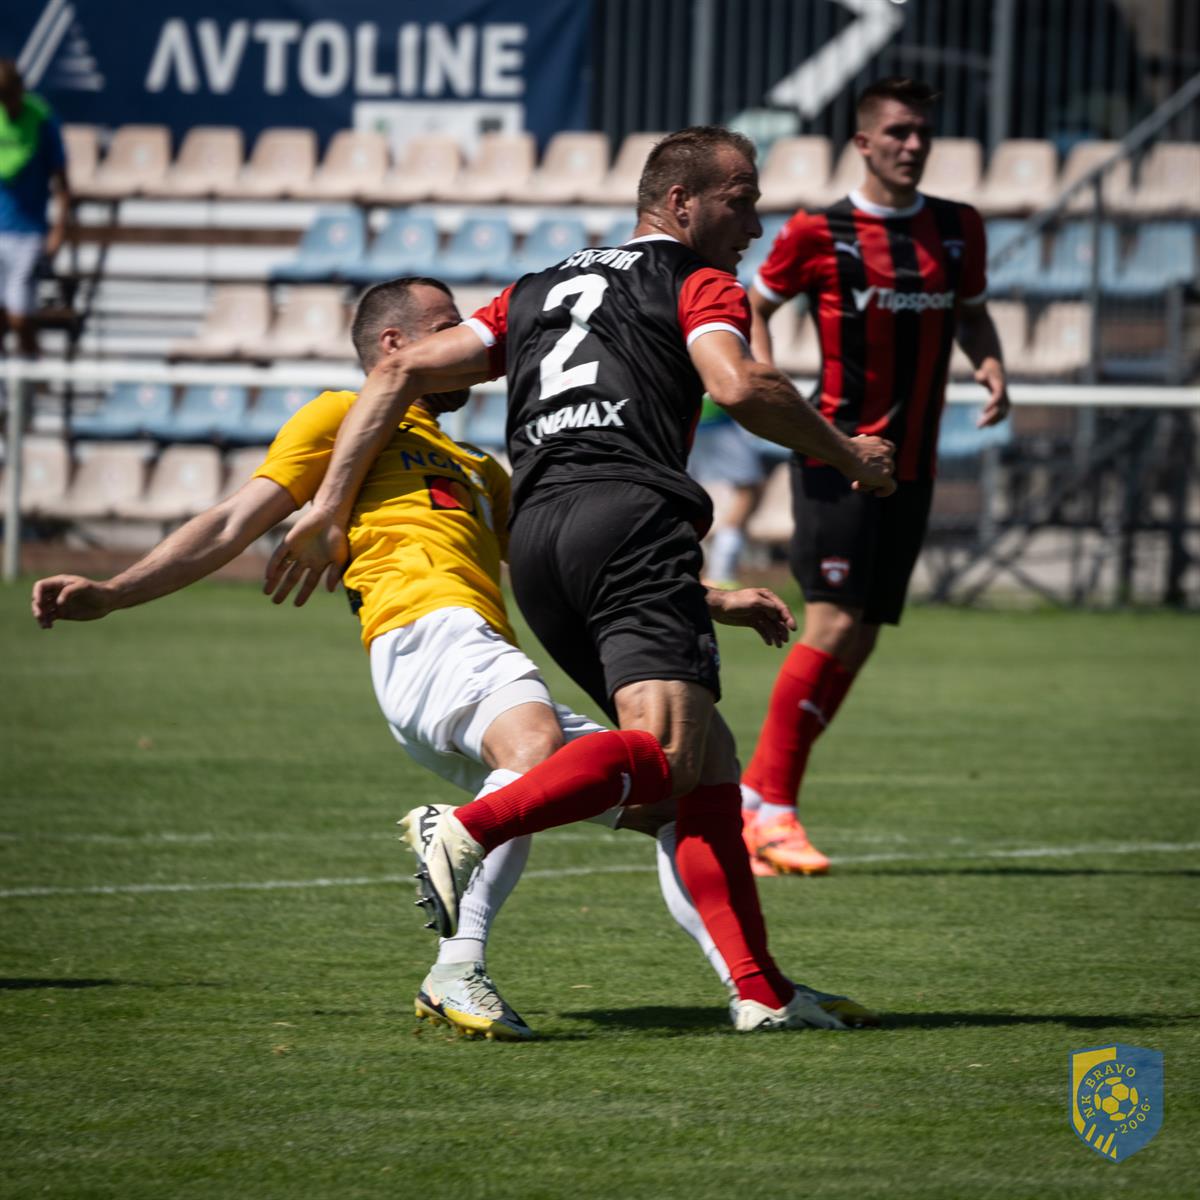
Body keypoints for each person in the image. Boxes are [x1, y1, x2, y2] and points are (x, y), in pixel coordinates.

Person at [30, 276, 818, 1040]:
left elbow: (585, 561)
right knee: (533, 749)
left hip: (472, 651)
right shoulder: (340, 416)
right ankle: (456, 960)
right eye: (447, 326)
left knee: (673, 798)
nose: (465, 340)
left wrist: (713, 599)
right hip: (424, 630)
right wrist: (116, 591)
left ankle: (758, 989)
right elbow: (235, 519)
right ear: (394, 345)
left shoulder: (478, 467)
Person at [273, 127, 896, 1032]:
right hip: (631, 515)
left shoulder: (533, 290)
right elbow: (738, 385)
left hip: (539, 542)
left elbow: (401, 366)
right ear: (680, 203)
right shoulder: (695, 280)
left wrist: (330, 505)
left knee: (702, 766)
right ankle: (470, 828)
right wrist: (846, 454)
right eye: (741, 201)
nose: (755, 225)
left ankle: (762, 990)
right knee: (671, 755)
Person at [738, 77, 1011, 877]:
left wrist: (991, 363)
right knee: (830, 622)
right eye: (897, 131)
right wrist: (768, 382)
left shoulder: (957, 228)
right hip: (837, 455)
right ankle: (774, 813)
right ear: (863, 142)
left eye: (922, 131)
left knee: (858, 635)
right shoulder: (818, 230)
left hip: (913, 462)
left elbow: (972, 312)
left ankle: (755, 801)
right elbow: (757, 303)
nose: (912, 144)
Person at [0, 60, 70, 358]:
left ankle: (32, 373)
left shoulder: (41, 121)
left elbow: (62, 182)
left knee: (20, 317)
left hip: (27, 232)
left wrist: (58, 230)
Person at [687, 393, 767, 588]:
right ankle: (721, 572)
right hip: (719, 422)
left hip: (691, 425)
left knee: (687, 493)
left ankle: (700, 570)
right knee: (748, 493)